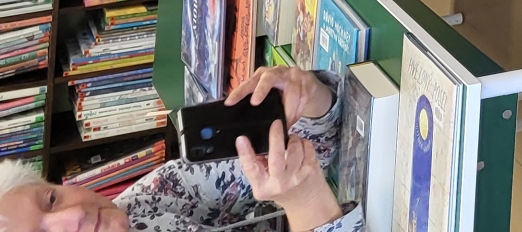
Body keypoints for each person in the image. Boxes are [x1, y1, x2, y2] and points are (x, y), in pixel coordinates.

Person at [0, 66, 355, 232]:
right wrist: (308, 203)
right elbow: (306, 191)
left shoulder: (145, 202)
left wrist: (307, 99)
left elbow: (307, 148)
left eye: (51, 200)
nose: (74, 216)